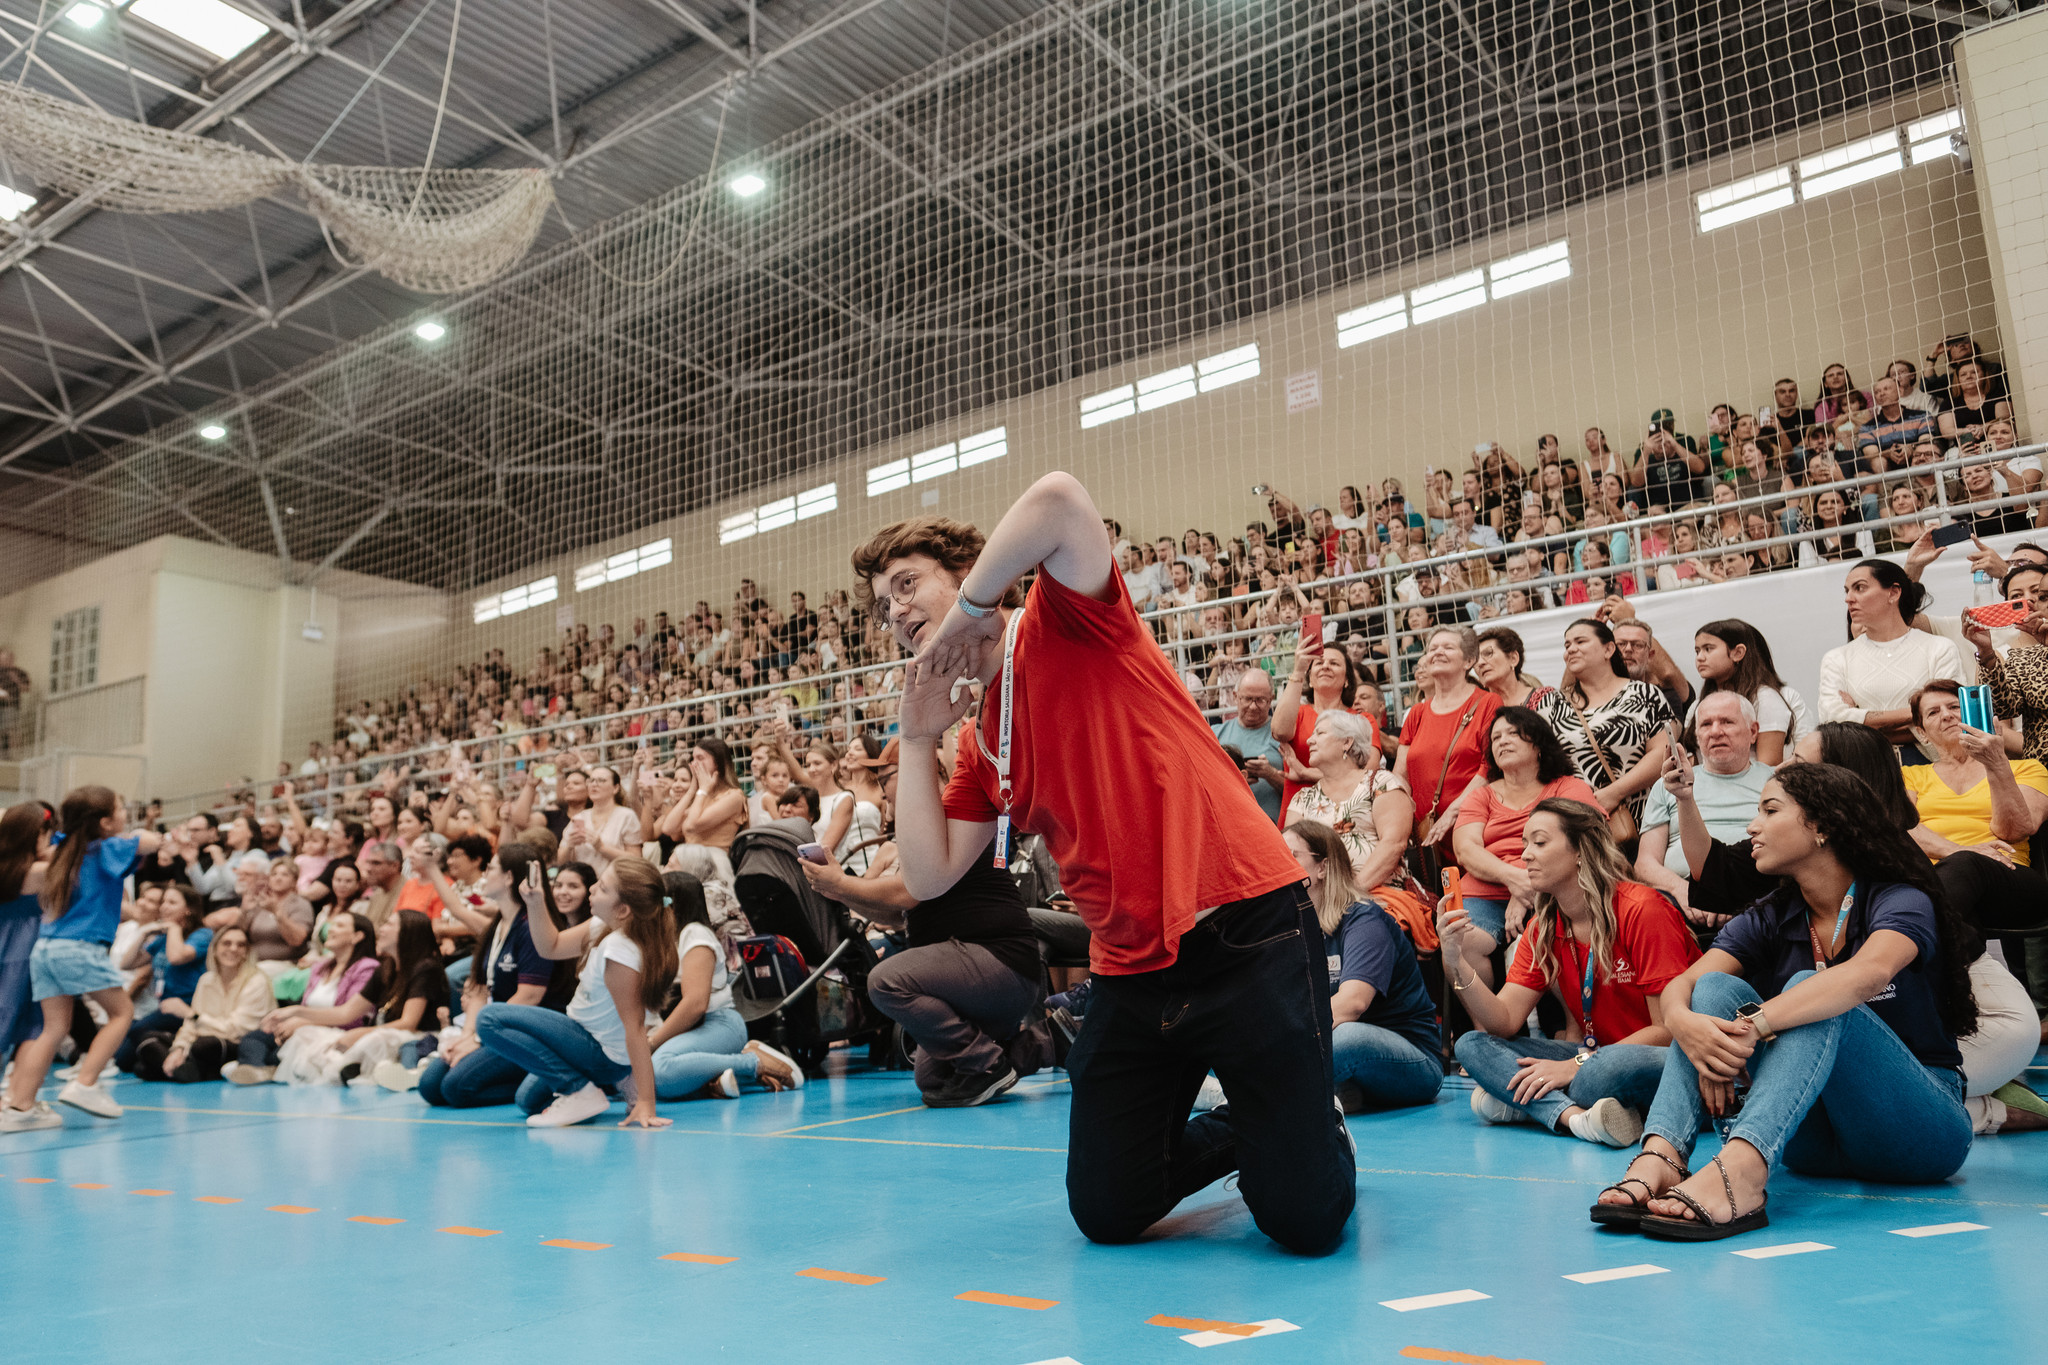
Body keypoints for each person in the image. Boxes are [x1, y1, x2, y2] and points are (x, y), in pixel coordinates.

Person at [856, 475, 1352, 1255]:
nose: (896, 611)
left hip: (1244, 928)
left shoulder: (1066, 619)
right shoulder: (981, 740)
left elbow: (1056, 500)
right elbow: (926, 875)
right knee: (1108, 1209)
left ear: (968, 573)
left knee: (1303, 1221)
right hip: (1132, 969)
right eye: (883, 606)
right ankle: (1250, 1127)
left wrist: (971, 612)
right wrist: (917, 735)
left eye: (908, 585)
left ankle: (1305, 1128)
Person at [1593, 764, 1977, 1240]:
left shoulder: (1899, 898)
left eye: (1770, 810)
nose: (1752, 826)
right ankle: (1663, 1154)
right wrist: (1684, 1024)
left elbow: (1867, 974)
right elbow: (1686, 985)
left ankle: (1742, 1170)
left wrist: (1757, 1026)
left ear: (1822, 826)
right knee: (1712, 991)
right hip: (1810, 1138)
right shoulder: (1775, 913)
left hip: (1917, 1130)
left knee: (1812, 988)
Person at [1444, 799, 1701, 1147]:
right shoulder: (1543, 926)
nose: (1526, 856)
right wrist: (1455, 959)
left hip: (1659, 1057)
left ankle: (1528, 1104)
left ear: (1580, 849)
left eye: (1539, 842)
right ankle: (1572, 1117)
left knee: (1596, 1075)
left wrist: (1576, 1064)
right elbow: (1503, 1021)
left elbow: (1668, 1030)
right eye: (1524, 844)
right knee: (1472, 1045)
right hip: (1593, 1053)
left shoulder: (1643, 909)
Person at [810, 826, 1044, 1107]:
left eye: (885, 786)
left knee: (885, 981)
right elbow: (896, 915)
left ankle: (987, 1062)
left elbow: (908, 894)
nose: (886, 804)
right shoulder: (922, 835)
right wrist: (840, 893)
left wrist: (843, 883)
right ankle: (1046, 1043)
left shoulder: (947, 827)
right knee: (934, 1079)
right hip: (976, 974)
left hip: (1003, 965)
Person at [474, 856, 678, 1129]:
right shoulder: (603, 925)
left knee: (489, 1019)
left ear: (623, 910)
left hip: (598, 1052)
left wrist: (646, 1102)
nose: (592, 889)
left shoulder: (619, 950)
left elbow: (636, 1028)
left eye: (603, 889)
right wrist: (535, 902)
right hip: (583, 1038)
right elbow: (551, 947)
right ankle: (599, 1085)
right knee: (527, 1101)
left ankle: (581, 1089)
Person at [0, 787, 161, 1130]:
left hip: (44, 948)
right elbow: (150, 841)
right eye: (121, 809)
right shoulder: (106, 848)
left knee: (53, 1027)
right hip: (79, 946)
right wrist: (141, 833)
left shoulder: (64, 848)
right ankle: (86, 1082)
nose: (124, 815)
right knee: (122, 1012)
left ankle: (19, 1107)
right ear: (104, 821)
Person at [394, 841, 575, 1104]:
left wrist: (478, 1040)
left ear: (509, 878)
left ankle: (540, 1080)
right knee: (431, 1085)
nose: (486, 874)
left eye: (491, 869)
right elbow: (478, 990)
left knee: (455, 1089)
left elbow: (529, 998)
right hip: (498, 1029)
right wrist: (466, 1036)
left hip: (529, 1033)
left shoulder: (532, 927)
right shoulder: (498, 926)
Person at [1285, 822, 1441, 1112]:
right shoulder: (1292, 928)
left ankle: (1262, 1091)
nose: (1280, 865)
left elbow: (1352, 1004)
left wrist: (1280, 1042)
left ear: (1322, 868)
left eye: (1291, 855)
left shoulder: (1363, 918)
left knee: (1345, 1038)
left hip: (1411, 1057)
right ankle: (1338, 1091)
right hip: (1338, 1049)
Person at [1450, 708, 1603, 969]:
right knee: (1460, 942)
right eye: (1496, 737)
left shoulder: (1567, 787)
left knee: (1544, 940)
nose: (1503, 741)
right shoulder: (1481, 796)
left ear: (1539, 745)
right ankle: (1493, 1011)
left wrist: (1528, 886)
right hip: (1483, 893)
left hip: (1557, 888)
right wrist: (1515, 880)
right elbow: (1466, 849)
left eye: (1513, 733)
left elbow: (1588, 841)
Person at [1283, 710, 1436, 950]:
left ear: (1347, 741)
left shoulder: (1382, 783)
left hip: (1376, 893)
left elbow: (1393, 845)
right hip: (1316, 900)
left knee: (1364, 928)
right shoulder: (1302, 798)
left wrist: (1346, 895)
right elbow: (1290, 857)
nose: (1310, 740)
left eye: (1320, 733)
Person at [646, 871, 803, 1100]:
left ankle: (751, 1061)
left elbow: (695, 1005)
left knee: (658, 1071)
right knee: (631, 1075)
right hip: (688, 1028)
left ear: (672, 904)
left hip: (718, 1025)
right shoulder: (665, 939)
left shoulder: (695, 934)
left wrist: (652, 1042)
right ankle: (713, 1080)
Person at [1636, 693, 1773, 923]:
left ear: (1753, 731)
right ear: (1697, 735)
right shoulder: (1669, 783)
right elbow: (1645, 864)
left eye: (1727, 722)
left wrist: (1725, 893)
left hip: (1757, 899)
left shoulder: (1777, 781)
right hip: (1678, 902)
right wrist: (1685, 891)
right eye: (1706, 724)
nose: (1716, 731)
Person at [1816, 560, 1964, 761]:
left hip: (1934, 766)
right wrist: (1920, 714)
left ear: (1894, 593)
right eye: (1847, 591)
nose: (1849, 599)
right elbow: (1832, 723)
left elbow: (1949, 716)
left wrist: (1859, 719)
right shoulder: (1837, 658)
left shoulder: (1939, 648)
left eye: (1860, 588)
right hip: (1863, 767)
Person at [1537, 619, 1673, 836]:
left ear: (1609, 649)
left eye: (1580, 641)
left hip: (1646, 820)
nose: (1571, 649)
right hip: (1579, 825)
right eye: (1567, 645)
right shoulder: (1550, 704)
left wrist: (1615, 793)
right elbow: (1540, 765)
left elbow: (1663, 752)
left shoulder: (1645, 694)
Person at [225, 908, 384, 1085]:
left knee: (276, 1052)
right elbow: (306, 1007)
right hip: (305, 1028)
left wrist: (304, 1021)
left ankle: (258, 1067)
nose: (330, 929)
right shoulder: (320, 968)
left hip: (336, 1033)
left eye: (339, 925)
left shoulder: (367, 968)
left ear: (357, 936)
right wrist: (286, 1021)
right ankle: (259, 1068)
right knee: (255, 1037)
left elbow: (353, 1018)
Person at [1395, 625, 1500, 844]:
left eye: (1448, 647)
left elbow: (1489, 766)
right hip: (1425, 833)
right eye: (1432, 648)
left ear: (1468, 662)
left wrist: (1453, 812)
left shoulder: (1488, 703)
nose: (1437, 652)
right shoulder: (1417, 713)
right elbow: (1400, 775)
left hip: (1472, 827)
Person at [148, 926, 274, 1083]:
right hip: (204, 1040)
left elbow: (237, 1030)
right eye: (227, 943)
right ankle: (184, 1068)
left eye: (241, 945)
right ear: (214, 949)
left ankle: (176, 1069)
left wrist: (194, 1016)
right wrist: (180, 1048)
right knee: (149, 1040)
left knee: (206, 1045)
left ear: (247, 952)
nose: (233, 949)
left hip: (236, 1044)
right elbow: (190, 1025)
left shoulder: (257, 981)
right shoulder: (206, 980)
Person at [113, 884, 211, 1076]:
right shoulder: (162, 938)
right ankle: (174, 1062)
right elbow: (127, 963)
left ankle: (186, 1064)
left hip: (188, 1006)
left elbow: (177, 957)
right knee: (124, 1061)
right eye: (164, 902)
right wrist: (143, 934)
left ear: (188, 910)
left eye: (172, 902)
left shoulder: (202, 934)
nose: (164, 907)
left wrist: (173, 928)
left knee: (137, 1030)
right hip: (165, 1007)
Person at [1274, 641, 1376, 819]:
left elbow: (1368, 770)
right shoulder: (1296, 715)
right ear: (1310, 679)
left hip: (1346, 815)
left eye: (1334, 663)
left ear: (1346, 680)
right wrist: (1298, 671)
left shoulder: (1361, 720)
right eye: (1319, 663)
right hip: (1298, 817)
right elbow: (1279, 731)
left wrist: (1306, 773)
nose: (1326, 666)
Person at [1688, 619, 1810, 765]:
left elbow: (1768, 767)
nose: (1700, 658)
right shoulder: (1697, 707)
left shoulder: (1766, 700)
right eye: (1697, 651)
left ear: (1738, 653)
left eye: (1708, 649)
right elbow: (1693, 768)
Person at [1215, 670, 1287, 823]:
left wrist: (1271, 774)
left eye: (1260, 700)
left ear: (1271, 700)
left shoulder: (1282, 735)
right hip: (1227, 823)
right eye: (1247, 699)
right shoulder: (1215, 734)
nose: (1253, 707)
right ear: (1235, 697)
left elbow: (1298, 792)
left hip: (1271, 827)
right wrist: (1234, 782)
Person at [1473, 626, 1548, 710]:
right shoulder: (1475, 711)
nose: (1480, 663)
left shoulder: (1547, 700)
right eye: (1475, 659)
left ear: (1513, 659)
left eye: (1488, 653)